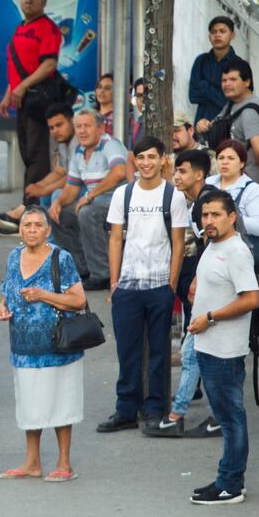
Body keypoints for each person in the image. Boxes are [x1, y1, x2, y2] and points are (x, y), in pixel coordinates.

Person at [99, 136, 187, 433]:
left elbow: (178, 242)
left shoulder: (172, 196)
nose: (146, 163)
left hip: (160, 284)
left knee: (160, 352)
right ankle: (126, 409)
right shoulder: (123, 195)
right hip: (127, 286)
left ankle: (154, 409)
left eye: (152, 156)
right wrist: (114, 282)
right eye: (141, 157)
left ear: (163, 159)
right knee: (128, 350)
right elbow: (115, 238)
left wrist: (171, 284)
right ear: (134, 160)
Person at [0, 207, 86, 482]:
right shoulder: (14, 256)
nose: (32, 229)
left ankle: (64, 463)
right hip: (23, 346)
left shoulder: (61, 258)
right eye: (27, 225)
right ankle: (32, 463)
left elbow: (78, 300)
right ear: (20, 230)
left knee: (61, 403)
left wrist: (44, 295)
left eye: (38, 225)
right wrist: (3, 307)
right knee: (30, 405)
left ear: (48, 230)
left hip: (57, 346)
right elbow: (8, 291)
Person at [187, 190, 259, 505]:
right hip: (208, 345)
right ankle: (226, 479)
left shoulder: (236, 251)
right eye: (205, 215)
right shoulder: (213, 245)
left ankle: (231, 485)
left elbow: (251, 299)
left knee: (231, 418)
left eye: (216, 214)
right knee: (225, 417)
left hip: (225, 351)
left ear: (232, 217)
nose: (209, 221)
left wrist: (210, 317)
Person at [144, 148, 219, 438]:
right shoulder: (199, 200)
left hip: (212, 292)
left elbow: (215, 246)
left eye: (183, 171)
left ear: (199, 174)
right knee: (197, 353)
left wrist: (199, 278)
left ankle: (178, 415)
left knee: (192, 353)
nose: (177, 176)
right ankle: (204, 415)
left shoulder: (207, 204)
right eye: (175, 171)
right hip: (209, 290)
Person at [47, 109, 128, 290]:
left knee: (87, 212)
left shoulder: (109, 144)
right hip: (95, 200)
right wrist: (58, 203)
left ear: (100, 128)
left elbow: (119, 172)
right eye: (78, 127)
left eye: (87, 126)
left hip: (116, 199)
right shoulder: (79, 151)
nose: (82, 131)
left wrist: (90, 195)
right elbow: (71, 188)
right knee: (59, 214)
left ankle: (102, 274)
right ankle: (82, 268)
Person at [0, 0, 61, 201]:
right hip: (22, 101)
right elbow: (18, 67)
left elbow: (49, 64)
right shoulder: (21, 27)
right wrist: (9, 95)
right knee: (26, 152)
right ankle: (28, 203)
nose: (28, 0)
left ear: (44, 1)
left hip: (38, 100)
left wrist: (23, 87)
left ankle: (33, 205)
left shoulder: (48, 28)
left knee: (37, 154)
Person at [0, 103, 76, 236]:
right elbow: (59, 171)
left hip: (86, 189)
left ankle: (41, 231)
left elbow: (73, 178)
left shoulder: (78, 142)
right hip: (74, 186)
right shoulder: (63, 143)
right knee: (44, 194)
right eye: (51, 128)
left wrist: (44, 189)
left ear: (72, 121)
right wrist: (39, 185)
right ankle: (45, 236)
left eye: (59, 125)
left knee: (54, 194)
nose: (55, 131)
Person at [197, 59, 259, 198]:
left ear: (247, 82)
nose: (227, 84)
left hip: (251, 185)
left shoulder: (249, 112)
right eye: (224, 80)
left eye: (233, 79)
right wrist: (203, 124)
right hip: (236, 183)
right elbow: (214, 127)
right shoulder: (232, 105)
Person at [206, 139, 259, 267]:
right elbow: (194, 215)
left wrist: (230, 220)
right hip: (210, 253)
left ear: (242, 163)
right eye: (221, 158)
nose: (225, 162)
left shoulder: (251, 190)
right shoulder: (209, 183)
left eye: (231, 158)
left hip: (239, 257)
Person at [189, 16, 243, 125]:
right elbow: (193, 96)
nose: (217, 35)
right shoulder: (201, 61)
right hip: (201, 125)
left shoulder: (238, 64)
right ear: (209, 36)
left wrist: (204, 85)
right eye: (214, 32)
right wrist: (220, 92)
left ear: (232, 35)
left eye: (222, 31)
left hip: (227, 127)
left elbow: (232, 102)